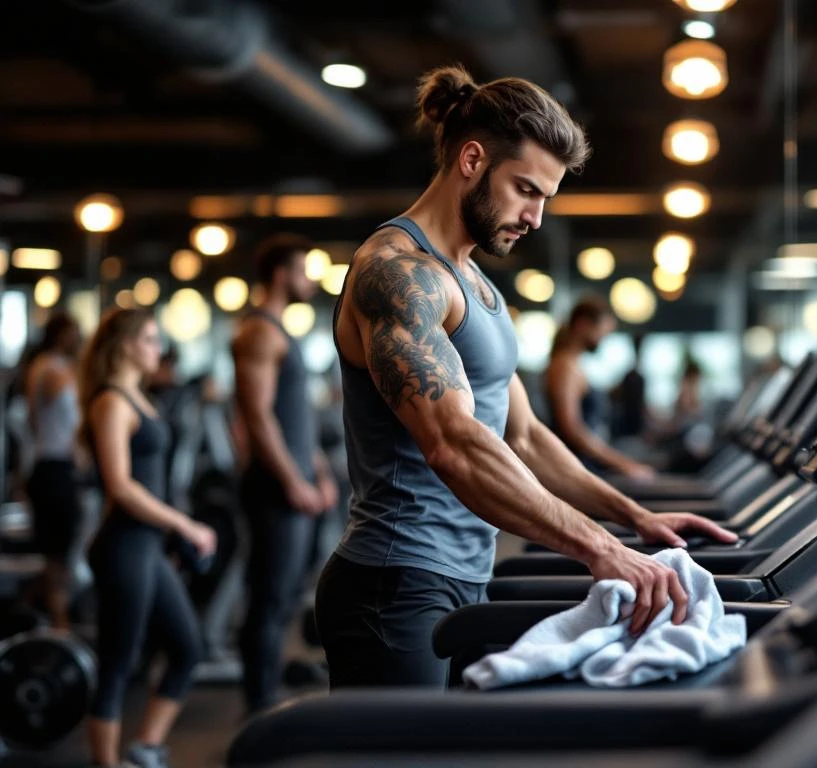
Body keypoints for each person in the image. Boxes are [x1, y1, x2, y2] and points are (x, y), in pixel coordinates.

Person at [316, 64, 737, 689]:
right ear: (472, 159)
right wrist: (599, 548)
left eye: (545, 197)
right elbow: (454, 446)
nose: (536, 217)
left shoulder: (476, 285)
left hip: (461, 576)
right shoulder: (397, 273)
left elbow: (526, 438)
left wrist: (633, 517)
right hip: (394, 583)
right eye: (526, 190)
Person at [81, 308, 217, 768]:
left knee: (186, 647)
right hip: (123, 546)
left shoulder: (139, 398)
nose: (159, 349)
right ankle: (107, 763)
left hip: (145, 548)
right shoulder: (111, 403)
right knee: (120, 662)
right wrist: (184, 525)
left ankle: (144, 749)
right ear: (125, 345)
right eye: (151, 339)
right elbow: (121, 486)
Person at [231, 233, 339, 714]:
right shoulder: (258, 332)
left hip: (293, 479)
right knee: (269, 597)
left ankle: (267, 695)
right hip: (273, 487)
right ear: (281, 275)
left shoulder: (279, 330)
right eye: (303, 271)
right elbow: (257, 416)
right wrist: (292, 480)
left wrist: (316, 469)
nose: (310, 281)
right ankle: (260, 705)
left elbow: (294, 415)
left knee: (285, 592)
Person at [546, 299, 656, 478]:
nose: (603, 338)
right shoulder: (564, 367)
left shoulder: (573, 365)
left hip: (587, 465)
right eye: (602, 332)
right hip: (577, 469)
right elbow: (572, 430)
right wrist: (623, 464)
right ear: (583, 325)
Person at [23, 312, 83, 630]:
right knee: (55, 554)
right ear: (60, 336)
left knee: (62, 552)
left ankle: (43, 610)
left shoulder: (60, 368)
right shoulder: (49, 368)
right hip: (51, 465)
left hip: (62, 466)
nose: (77, 340)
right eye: (73, 334)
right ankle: (59, 623)